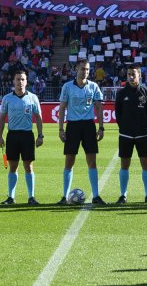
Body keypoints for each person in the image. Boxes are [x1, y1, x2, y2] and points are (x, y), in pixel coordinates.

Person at [57, 59, 105, 205]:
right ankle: (65, 197)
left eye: (87, 69)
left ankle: (96, 196)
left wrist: (101, 127)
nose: (85, 72)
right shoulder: (67, 87)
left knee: (92, 162)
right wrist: (61, 129)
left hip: (89, 126)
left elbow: (98, 108)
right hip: (73, 126)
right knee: (69, 162)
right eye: (82, 69)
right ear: (76, 69)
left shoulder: (94, 86)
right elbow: (62, 108)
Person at [0, 70, 44, 205]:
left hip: (27, 135)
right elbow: (2, 119)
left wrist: (40, 135)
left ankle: (31, 197)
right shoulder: (7, 98)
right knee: (13, 166)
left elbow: (39, 118)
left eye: (22, 79)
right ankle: (11, 197)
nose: (20, 82)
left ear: (26, 82)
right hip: (12, 135)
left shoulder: (33, 98)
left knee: (28, 166)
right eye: (18, 79)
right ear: (13, 81)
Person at [114, 65, 147, 204]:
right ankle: (123, 195)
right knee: (124, 164)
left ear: (140, 76)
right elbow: (118, 114)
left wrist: (142, 124)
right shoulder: (121, 94)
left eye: (134, 74)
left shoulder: (146, 93)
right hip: (125, 134)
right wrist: (125, 126)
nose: (131, 77)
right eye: (129, 74)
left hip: (142, 133)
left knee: (146, 164)